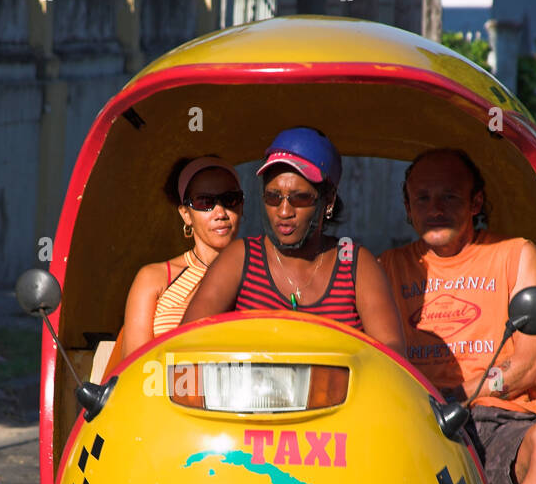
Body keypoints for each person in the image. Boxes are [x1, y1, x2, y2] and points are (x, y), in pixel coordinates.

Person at [378, 148, 536, 484]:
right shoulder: (386, 268)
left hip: (498, 420)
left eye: (449, 197)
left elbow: (529, 364)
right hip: (419, 421)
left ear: (476, 204)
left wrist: (463, 392)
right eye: (423, 199)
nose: (435, 209)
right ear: (407, 208)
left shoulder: (516, 254)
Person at [182, 127, 404, 354]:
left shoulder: (355, 264)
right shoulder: (240, 258)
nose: (284, 211)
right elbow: (186, 343)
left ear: (328, 200)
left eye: (300, 198)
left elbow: (393, 355)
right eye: (273, 196)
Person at [116, 156, 245, 361]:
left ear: (242, 205)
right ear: (186, 214)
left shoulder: (258, 273)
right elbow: (134, 366)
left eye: (230, 199)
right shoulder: (154, 278)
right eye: (205, 202)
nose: (220, 212)